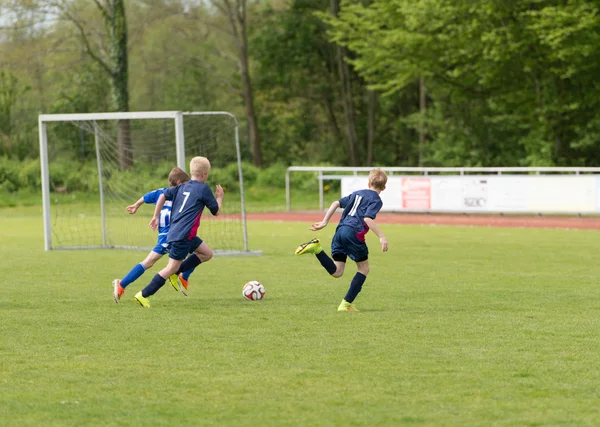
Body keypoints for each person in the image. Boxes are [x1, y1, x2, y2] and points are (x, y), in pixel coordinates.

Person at [134, 156, 224, 308]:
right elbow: (216, 212)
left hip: (181, 233)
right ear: (204, 175)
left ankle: (177, 273)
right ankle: (143, 294)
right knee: (170, 268)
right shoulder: (203, 189)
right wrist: (219, 197)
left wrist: (155, 216)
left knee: (206, 253)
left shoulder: (181, 187)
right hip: (183, 236)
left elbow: (163, 195)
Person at [295, 168, 389, 312]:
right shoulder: (376, 200)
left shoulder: (357, 193)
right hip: (353, 234)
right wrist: (382, 236)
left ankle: (317, 249)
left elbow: (335, 203)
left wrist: (324, 221)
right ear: (383, 187)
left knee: (337, 272)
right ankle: (345, 304)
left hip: (340, 232)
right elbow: (367, 218)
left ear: (369, 182)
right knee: (364, 268)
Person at [112, 167, 196, 303]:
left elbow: (146, 197)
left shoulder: (161, 192)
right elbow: (146, 197)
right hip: (169, 236)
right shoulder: (176, 195)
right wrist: (136, 205)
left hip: (175, 234)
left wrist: (136, 205)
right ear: (180, 183)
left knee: (199, 250)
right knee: (150, 262)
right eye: (186, 184)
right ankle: (123, 284)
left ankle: (182, 276)